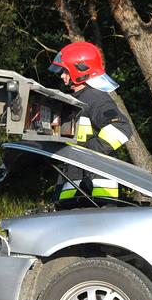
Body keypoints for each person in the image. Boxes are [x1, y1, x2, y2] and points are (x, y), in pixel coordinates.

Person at [48, 41, 132, 207]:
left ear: (80, 71)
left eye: (65, 71)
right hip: (77, 182)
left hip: (95, 190)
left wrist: (86, 151)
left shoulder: (95, 98)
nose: (61, 76)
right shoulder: (78, 99)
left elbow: (121, 127)